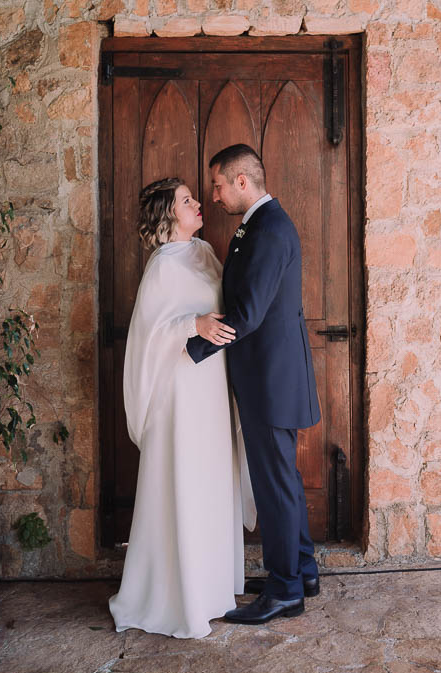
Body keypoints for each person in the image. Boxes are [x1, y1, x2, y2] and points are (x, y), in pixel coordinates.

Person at [109, 177, 256, 639]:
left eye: (194, 196)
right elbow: (148, 334)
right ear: (168, 216)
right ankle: (181, 597)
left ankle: (213, 590)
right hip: (180, 395)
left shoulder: (205, 252)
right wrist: (192, 321)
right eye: (187, 200)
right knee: (186, 482)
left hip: (211, 387)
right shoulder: (161, 267)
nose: (197, 204)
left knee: (212, 480)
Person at [187, 144, 321, 625]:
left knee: (275, 486)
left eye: (219, 185)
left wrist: (191, 348)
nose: (215, 196)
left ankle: (286, 591)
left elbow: (248, 312)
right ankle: (301, 571)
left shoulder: (269, 229)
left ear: (242, 181)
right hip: (271, 376)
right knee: (281, 480)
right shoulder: (261, 225)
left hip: (271, 380)